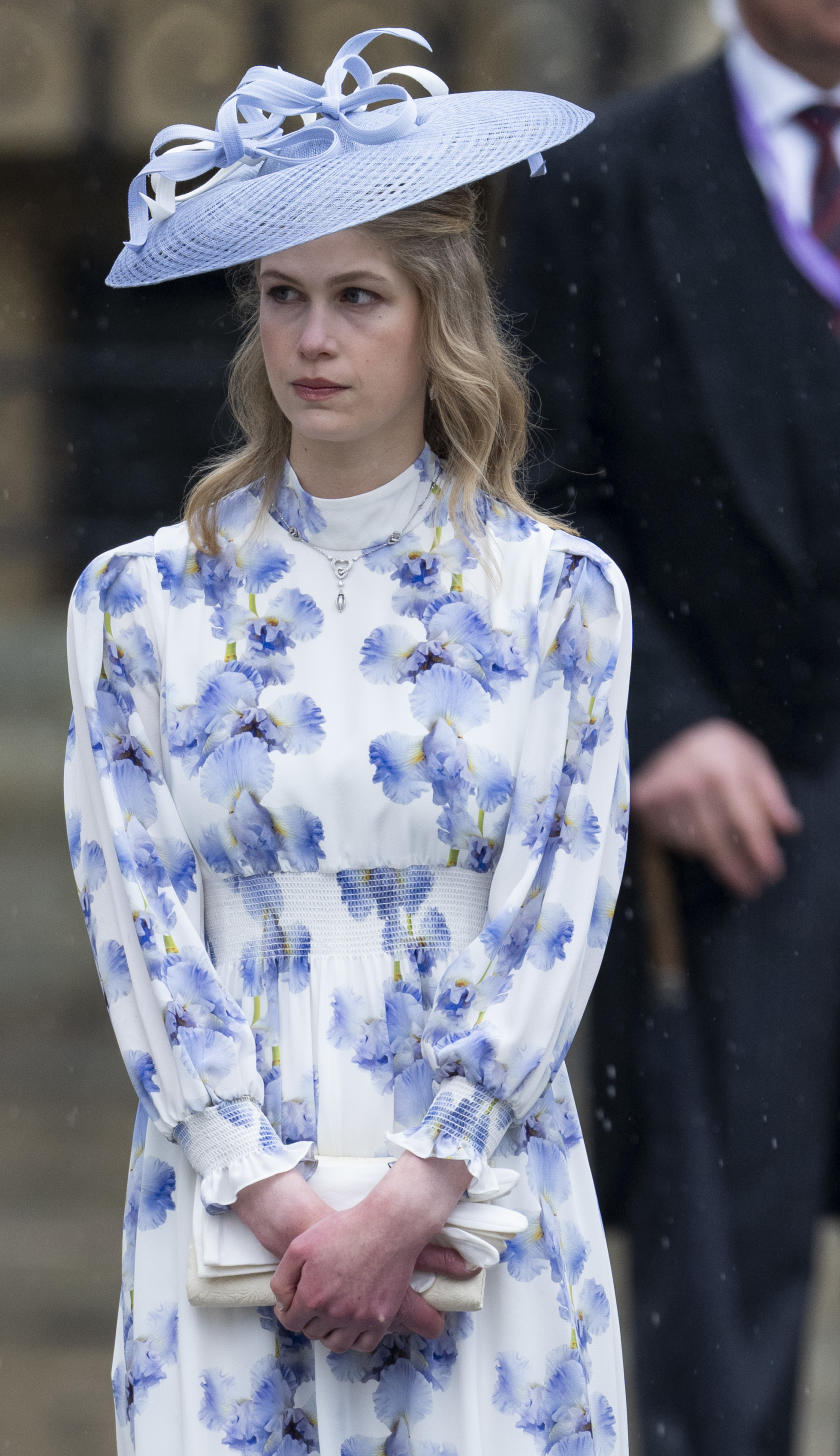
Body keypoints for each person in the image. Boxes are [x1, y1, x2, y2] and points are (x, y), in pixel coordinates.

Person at [64, 27, 631, 1456]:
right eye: (282, 297)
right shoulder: (146, 599)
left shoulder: (554, 595)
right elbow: (135, 913)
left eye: (357, 297)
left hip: (481, 1187)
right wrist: (268, 1189)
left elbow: (562, 902)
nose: (313, 339)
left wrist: (417, 1194)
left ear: (435, 316)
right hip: (228, 1177)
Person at [500, 2, 840, 1453]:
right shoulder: (601, 180)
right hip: (732, 822)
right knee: (716, 1302)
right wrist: (662, 724)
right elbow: (538, 491)